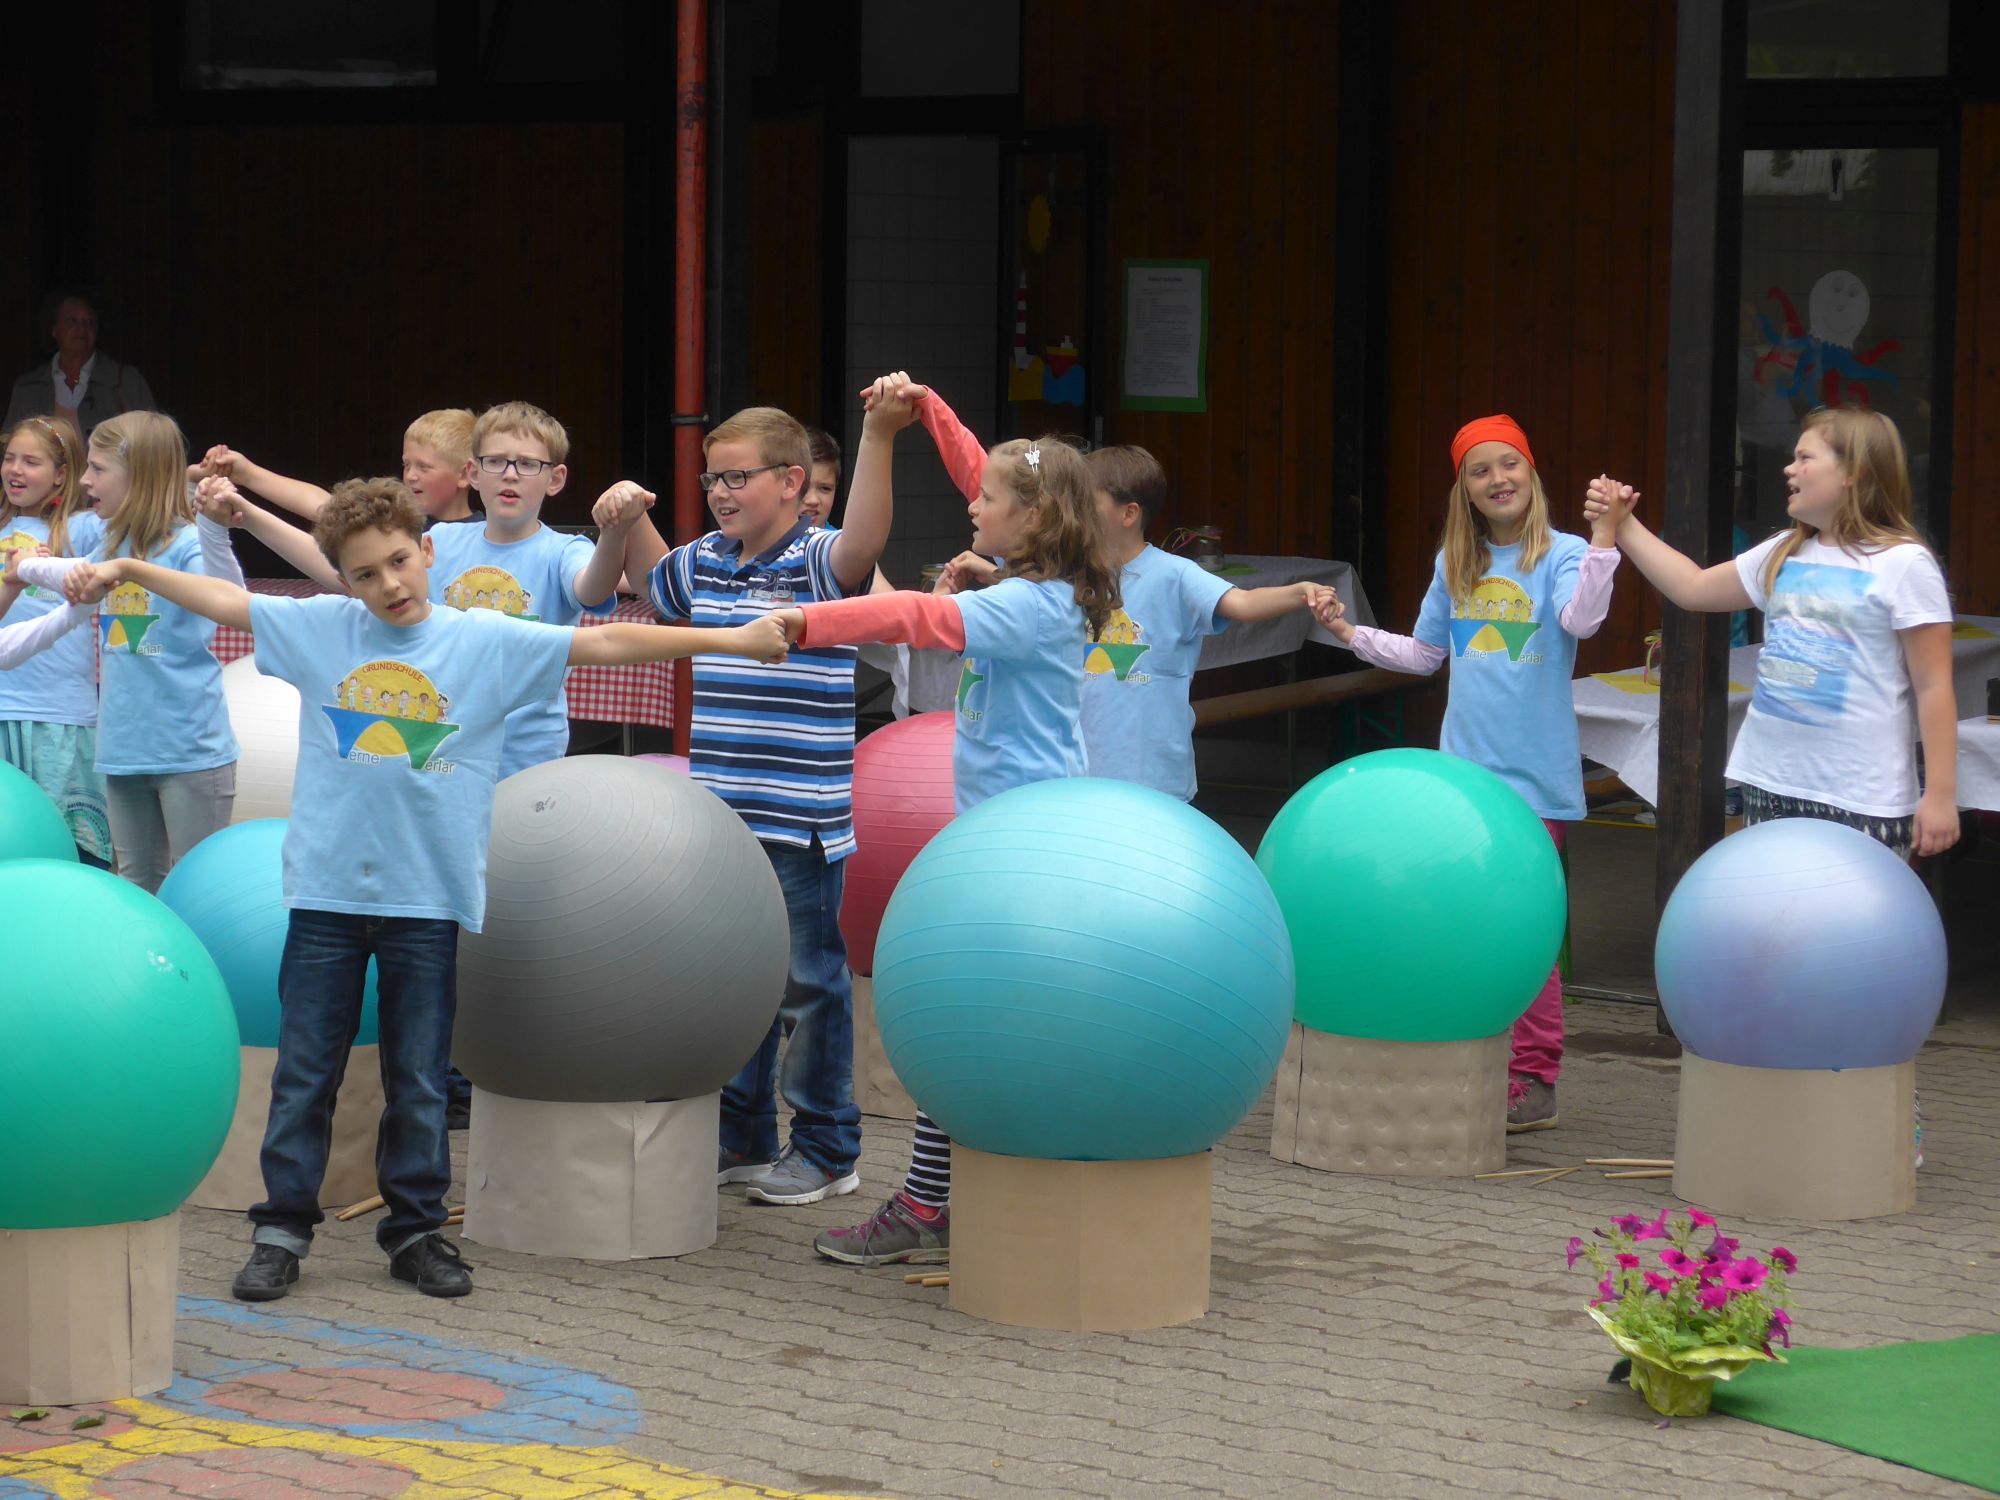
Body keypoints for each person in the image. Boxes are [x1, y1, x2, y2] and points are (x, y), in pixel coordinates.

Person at [57, 475, 786, 1301]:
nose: (389, 585)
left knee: (418, 1078)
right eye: (365, 574)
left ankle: (413, 1232)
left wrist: (731, 639)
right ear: (341, 579)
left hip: (427, 903)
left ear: (428, 550)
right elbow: (226, 602)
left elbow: (609, 642)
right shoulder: (319, 629)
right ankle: (280, 1230)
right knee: (305, 1074)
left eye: (400, 561)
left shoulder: (485, 640)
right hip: (326, 898)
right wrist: (130, 570)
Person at [770, 425, 1119, 1267]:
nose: (972, 505)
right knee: (972, 1019)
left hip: (1018, 852)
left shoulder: (1021, 607)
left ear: (1032, 520)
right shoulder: (1045, 588)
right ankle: (958, 1199)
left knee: (954, 1020)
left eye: (987, 502)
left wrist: (804, 620)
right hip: (1019, 838)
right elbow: (995, 474)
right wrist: (929, 412)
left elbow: (912, 614)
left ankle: (929, 1205)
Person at [594, 394, 908, 1209]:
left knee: (809, 986)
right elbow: (655, 586)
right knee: (737, 977)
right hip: (720, 818)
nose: (721, 493)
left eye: (738, 478)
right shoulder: (705, 558)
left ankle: (828, 1147)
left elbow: (867, 541)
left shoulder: (818, 560)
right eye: (712, 480)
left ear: (794, 483)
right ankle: (742, 1135)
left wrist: (877, 434)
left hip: (798, 821)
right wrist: (630, 517)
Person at [1311, 415, 1623, 1134]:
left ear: (1531, 473)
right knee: (1460, 921)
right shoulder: (1456, 563)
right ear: (1466, 491)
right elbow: (1424, 656)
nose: (1497, 479)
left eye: (1509, 464)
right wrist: (1348, 633)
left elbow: (1582, 621)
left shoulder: (1567, 553)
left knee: (1526, 934)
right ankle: (1461, 1055)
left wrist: (1605, 538)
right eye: (1480, 471)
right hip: (1463, 786)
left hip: (1536, 786)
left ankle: (1534, 1078)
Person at [898, 379, 1329, 798]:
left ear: (1129, 514)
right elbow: (986, 483)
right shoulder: (1064, 565)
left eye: (1086, 501)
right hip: (1082, 779)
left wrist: (1301, 592)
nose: (1070, 508)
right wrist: (933, 411)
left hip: (1152, 783)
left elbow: (1242, 602)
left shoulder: (1173, 574)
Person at [1584, 406, 1957, 860]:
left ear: (1853, 473)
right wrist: (1623, 523)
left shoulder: (1905, 563)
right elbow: (1692, 588)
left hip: (1864, 798)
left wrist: (1940, 795)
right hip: (1769, 783)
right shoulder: (1784, 551)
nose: (1788, 468)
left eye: (1805, 458)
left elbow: (1934, 687)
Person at [13, 411, 241, 890]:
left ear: (138, 476)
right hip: (122, 748)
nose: (84, 480)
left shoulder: (187, 543)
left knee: (198, 884)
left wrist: (214, 531)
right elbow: (70, 574)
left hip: (188, 751)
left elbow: (231, 601)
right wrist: (27, 566)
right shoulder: (113, 542)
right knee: (136, 883)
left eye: (97, 469)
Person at [0, 416, 111, 862]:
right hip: (4, 708)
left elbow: (138, 513)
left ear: (62, 475)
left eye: (31, 461)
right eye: (9, 458)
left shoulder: (81, 530)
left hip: (60, 713)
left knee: (69, 849)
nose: (15, 469)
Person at [5, 295, 156, 436]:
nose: (82, 328)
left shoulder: (127, 382)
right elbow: (7, 444)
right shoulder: (28, 387)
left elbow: (153, 441)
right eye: (72, 321)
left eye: (89, 322)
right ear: (54, 329)